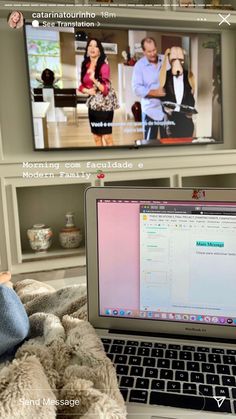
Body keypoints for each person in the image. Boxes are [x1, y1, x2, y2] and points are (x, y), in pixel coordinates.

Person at [78, 38, 114, 147]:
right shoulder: (85, 64)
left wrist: (94, 80)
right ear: (87, 49)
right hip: (92, 105)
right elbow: (81, 86)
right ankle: (102, 162)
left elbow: (105, 90)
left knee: (107, 137)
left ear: (100, 50)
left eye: (95, 46)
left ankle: (114, 162)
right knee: (96, 137)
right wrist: (88, 90)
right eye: (90, 45)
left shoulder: (104, 66)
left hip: (105, 106)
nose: (92, 48)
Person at [132, 37, 166, 141]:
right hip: (150, 111)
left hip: (167, 111)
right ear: (144, 51)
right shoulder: (139, 66)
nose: (152, 54)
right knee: (149, 143)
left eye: (154, 50)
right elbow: (136, 88)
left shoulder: (165, 60)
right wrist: (156, 93)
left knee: (168, 142)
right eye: (149, 51)